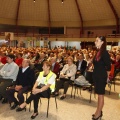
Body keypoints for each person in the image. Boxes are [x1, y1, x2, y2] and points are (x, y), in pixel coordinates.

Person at [92, 36, 111, 120]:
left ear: (102, 42)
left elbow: (109, 67)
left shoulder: (104, 53)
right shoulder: (98, 52)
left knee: (100, 95)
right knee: (99, 94)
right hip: (97, 75)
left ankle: (98, 113)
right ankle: (98, 111)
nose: (95, 42)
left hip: (101, 76)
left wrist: (107, 77)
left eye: (97, 40)